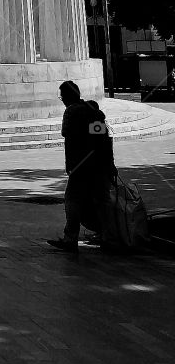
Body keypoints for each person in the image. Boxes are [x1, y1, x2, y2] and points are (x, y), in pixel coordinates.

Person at [48, 80, 116, 252]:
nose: (62, 100)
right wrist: (110, 163)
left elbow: (67, 133)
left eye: (62, 97)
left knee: (72, 200)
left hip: (81, 166)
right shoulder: (93, 110)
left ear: (66, 97)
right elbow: (103, 138)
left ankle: (70, 238)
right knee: (102, 201)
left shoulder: (72, 112)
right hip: (100, 163)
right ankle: (109, 238)